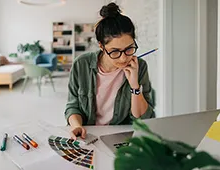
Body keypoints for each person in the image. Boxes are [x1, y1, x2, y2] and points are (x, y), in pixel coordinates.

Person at [65, 2, 154, 140]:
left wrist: (135, 86)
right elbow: (73, 105)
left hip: (120, 137)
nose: (124, 57)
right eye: (115, 51)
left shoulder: (140, 66)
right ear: (101, 46)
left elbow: (143, 118)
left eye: (129, 48)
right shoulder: (81, 64)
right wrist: (76, 125)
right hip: (88, 135)